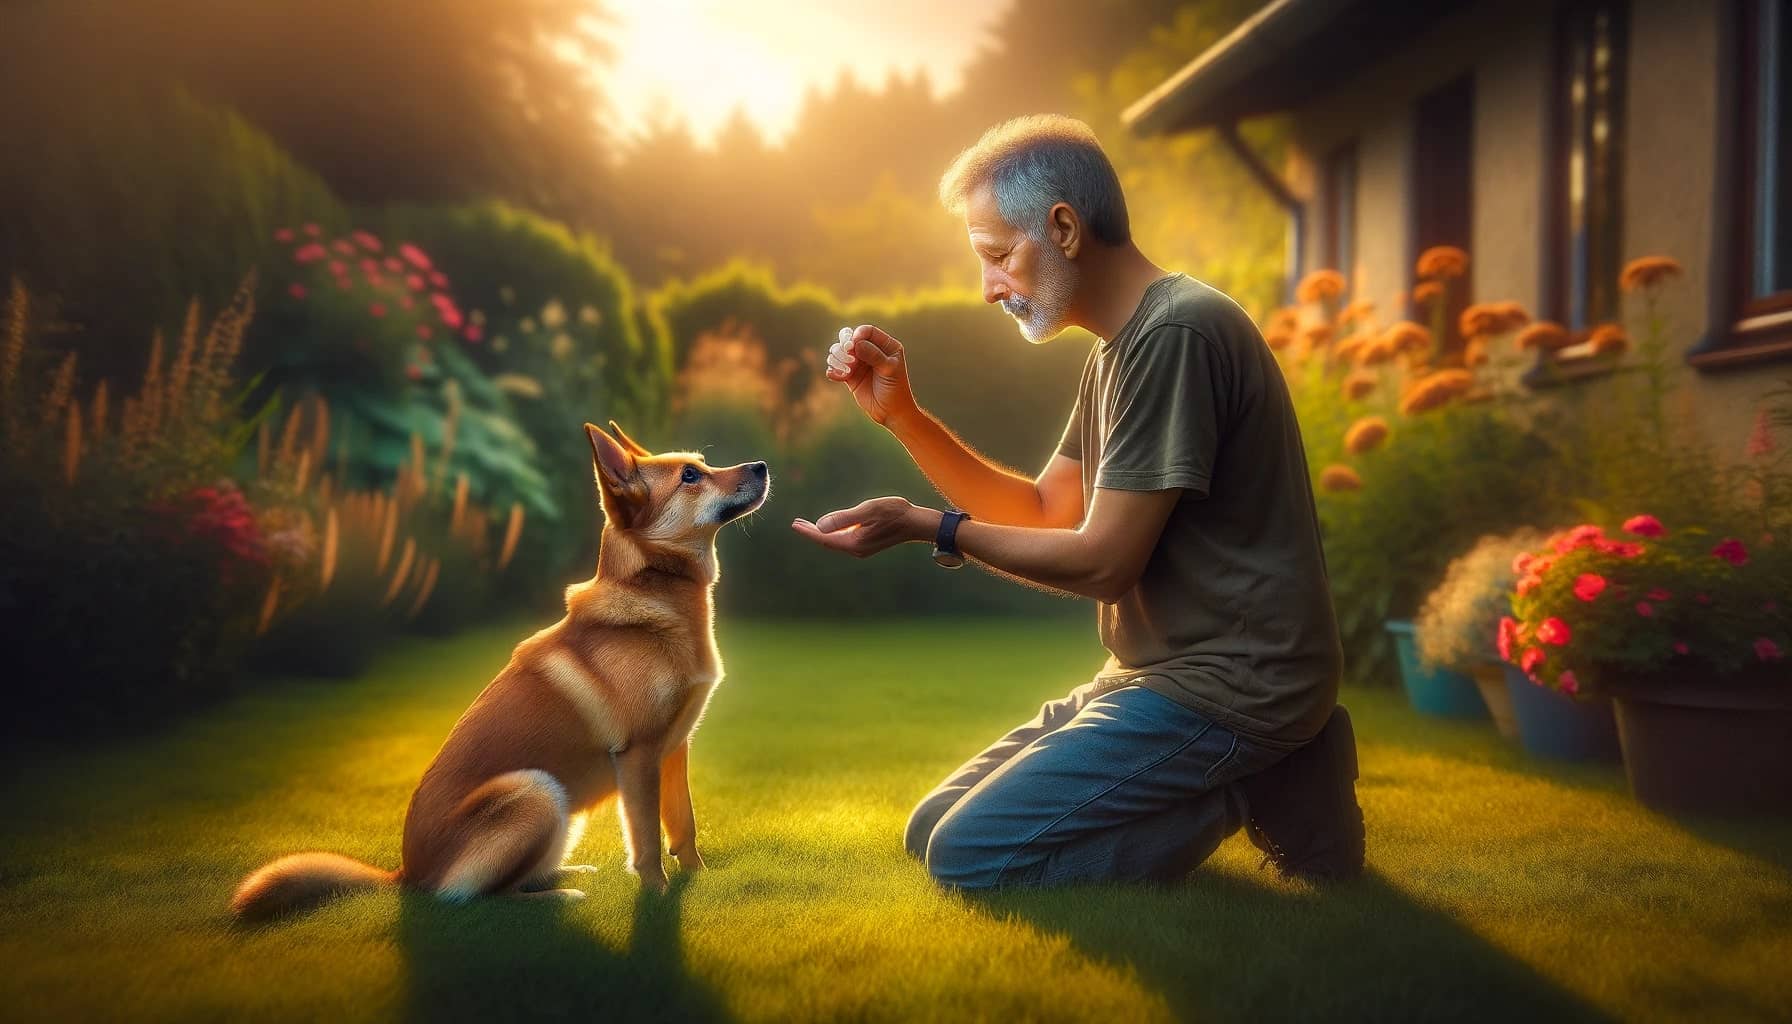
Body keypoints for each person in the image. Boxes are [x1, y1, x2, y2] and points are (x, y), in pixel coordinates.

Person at [789, 115, 1363, 889]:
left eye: (997, 256)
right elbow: (1042, 511)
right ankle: (1260, 770)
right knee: (930, 832)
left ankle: (1257, 777)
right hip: (1153, 672)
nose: (988, 288)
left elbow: (1101, 561)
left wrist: (932, 528)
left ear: (1062, 227)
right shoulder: (1119, 351)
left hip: (1236, 683)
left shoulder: (1177, 335)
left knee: (972, 859)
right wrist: (904, 418)